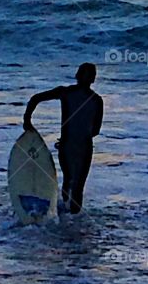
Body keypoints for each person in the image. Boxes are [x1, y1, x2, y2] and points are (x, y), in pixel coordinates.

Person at [23, 63, 103, 214]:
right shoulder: (97, 100)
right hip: (84, 148)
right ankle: (73, 219)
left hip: (67, 146)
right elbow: (96, 130)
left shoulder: (66, 93)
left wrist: (27, 120)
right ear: (93, 79)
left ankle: (66, 216)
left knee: (69, 180)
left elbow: (35, 99)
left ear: (77, 76)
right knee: (78, 186)